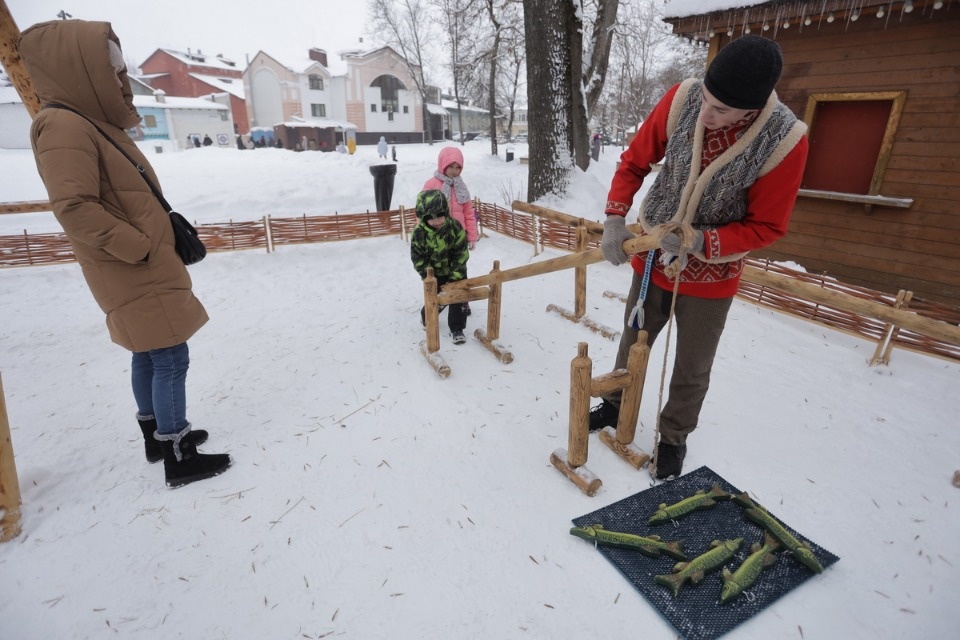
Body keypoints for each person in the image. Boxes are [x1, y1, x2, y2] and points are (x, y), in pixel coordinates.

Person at [19, 19, 232, 488]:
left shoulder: (82, 121)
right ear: (79, 69)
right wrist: (138, 248)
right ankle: (178, 452)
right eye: (110, 70)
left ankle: (157, 439)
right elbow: (74, 207)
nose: (119, 80)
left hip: (137, 265)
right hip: (134, 266)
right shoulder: (61, 125)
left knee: (149, 351)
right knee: (170, 356)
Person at [593, 35, 808, 480]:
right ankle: (614, 404)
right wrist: (615, 217)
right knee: (632, 342)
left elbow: (766, 226)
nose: (706, 116)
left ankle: (674, 437)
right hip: (651, 259)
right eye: (707, 100)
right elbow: (634, 162)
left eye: (723, 110)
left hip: (713, 280)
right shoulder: (682, 98)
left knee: (692, 367)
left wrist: (701, 242)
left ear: (752, 109)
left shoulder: (785, 140)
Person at [423, 147, 479, 315]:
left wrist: (472, 236)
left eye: (458, 167)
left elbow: (469, 213)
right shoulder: (432, 185)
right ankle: (438, 301)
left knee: (460, 271)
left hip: (458, 238)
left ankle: (461, 302)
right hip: (439, 238)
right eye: (451, 166)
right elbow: (423, 212)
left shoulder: (461, 186)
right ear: (442, 165)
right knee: (441, 272)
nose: (454, 171)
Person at [410, 189, 469, 345]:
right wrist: (428, 276)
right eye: (431, 218)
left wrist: (455, 277)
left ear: (446, 212)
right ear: (423, 217)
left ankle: (457, 328)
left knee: (458, 297)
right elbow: (418, 257)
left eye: (440, 216)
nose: (437, 221)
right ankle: (427, 316)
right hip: (434, 274)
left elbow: (461, 254)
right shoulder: (419, 234)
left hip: (455, 271)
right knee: (436, 299)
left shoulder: (455, 228)